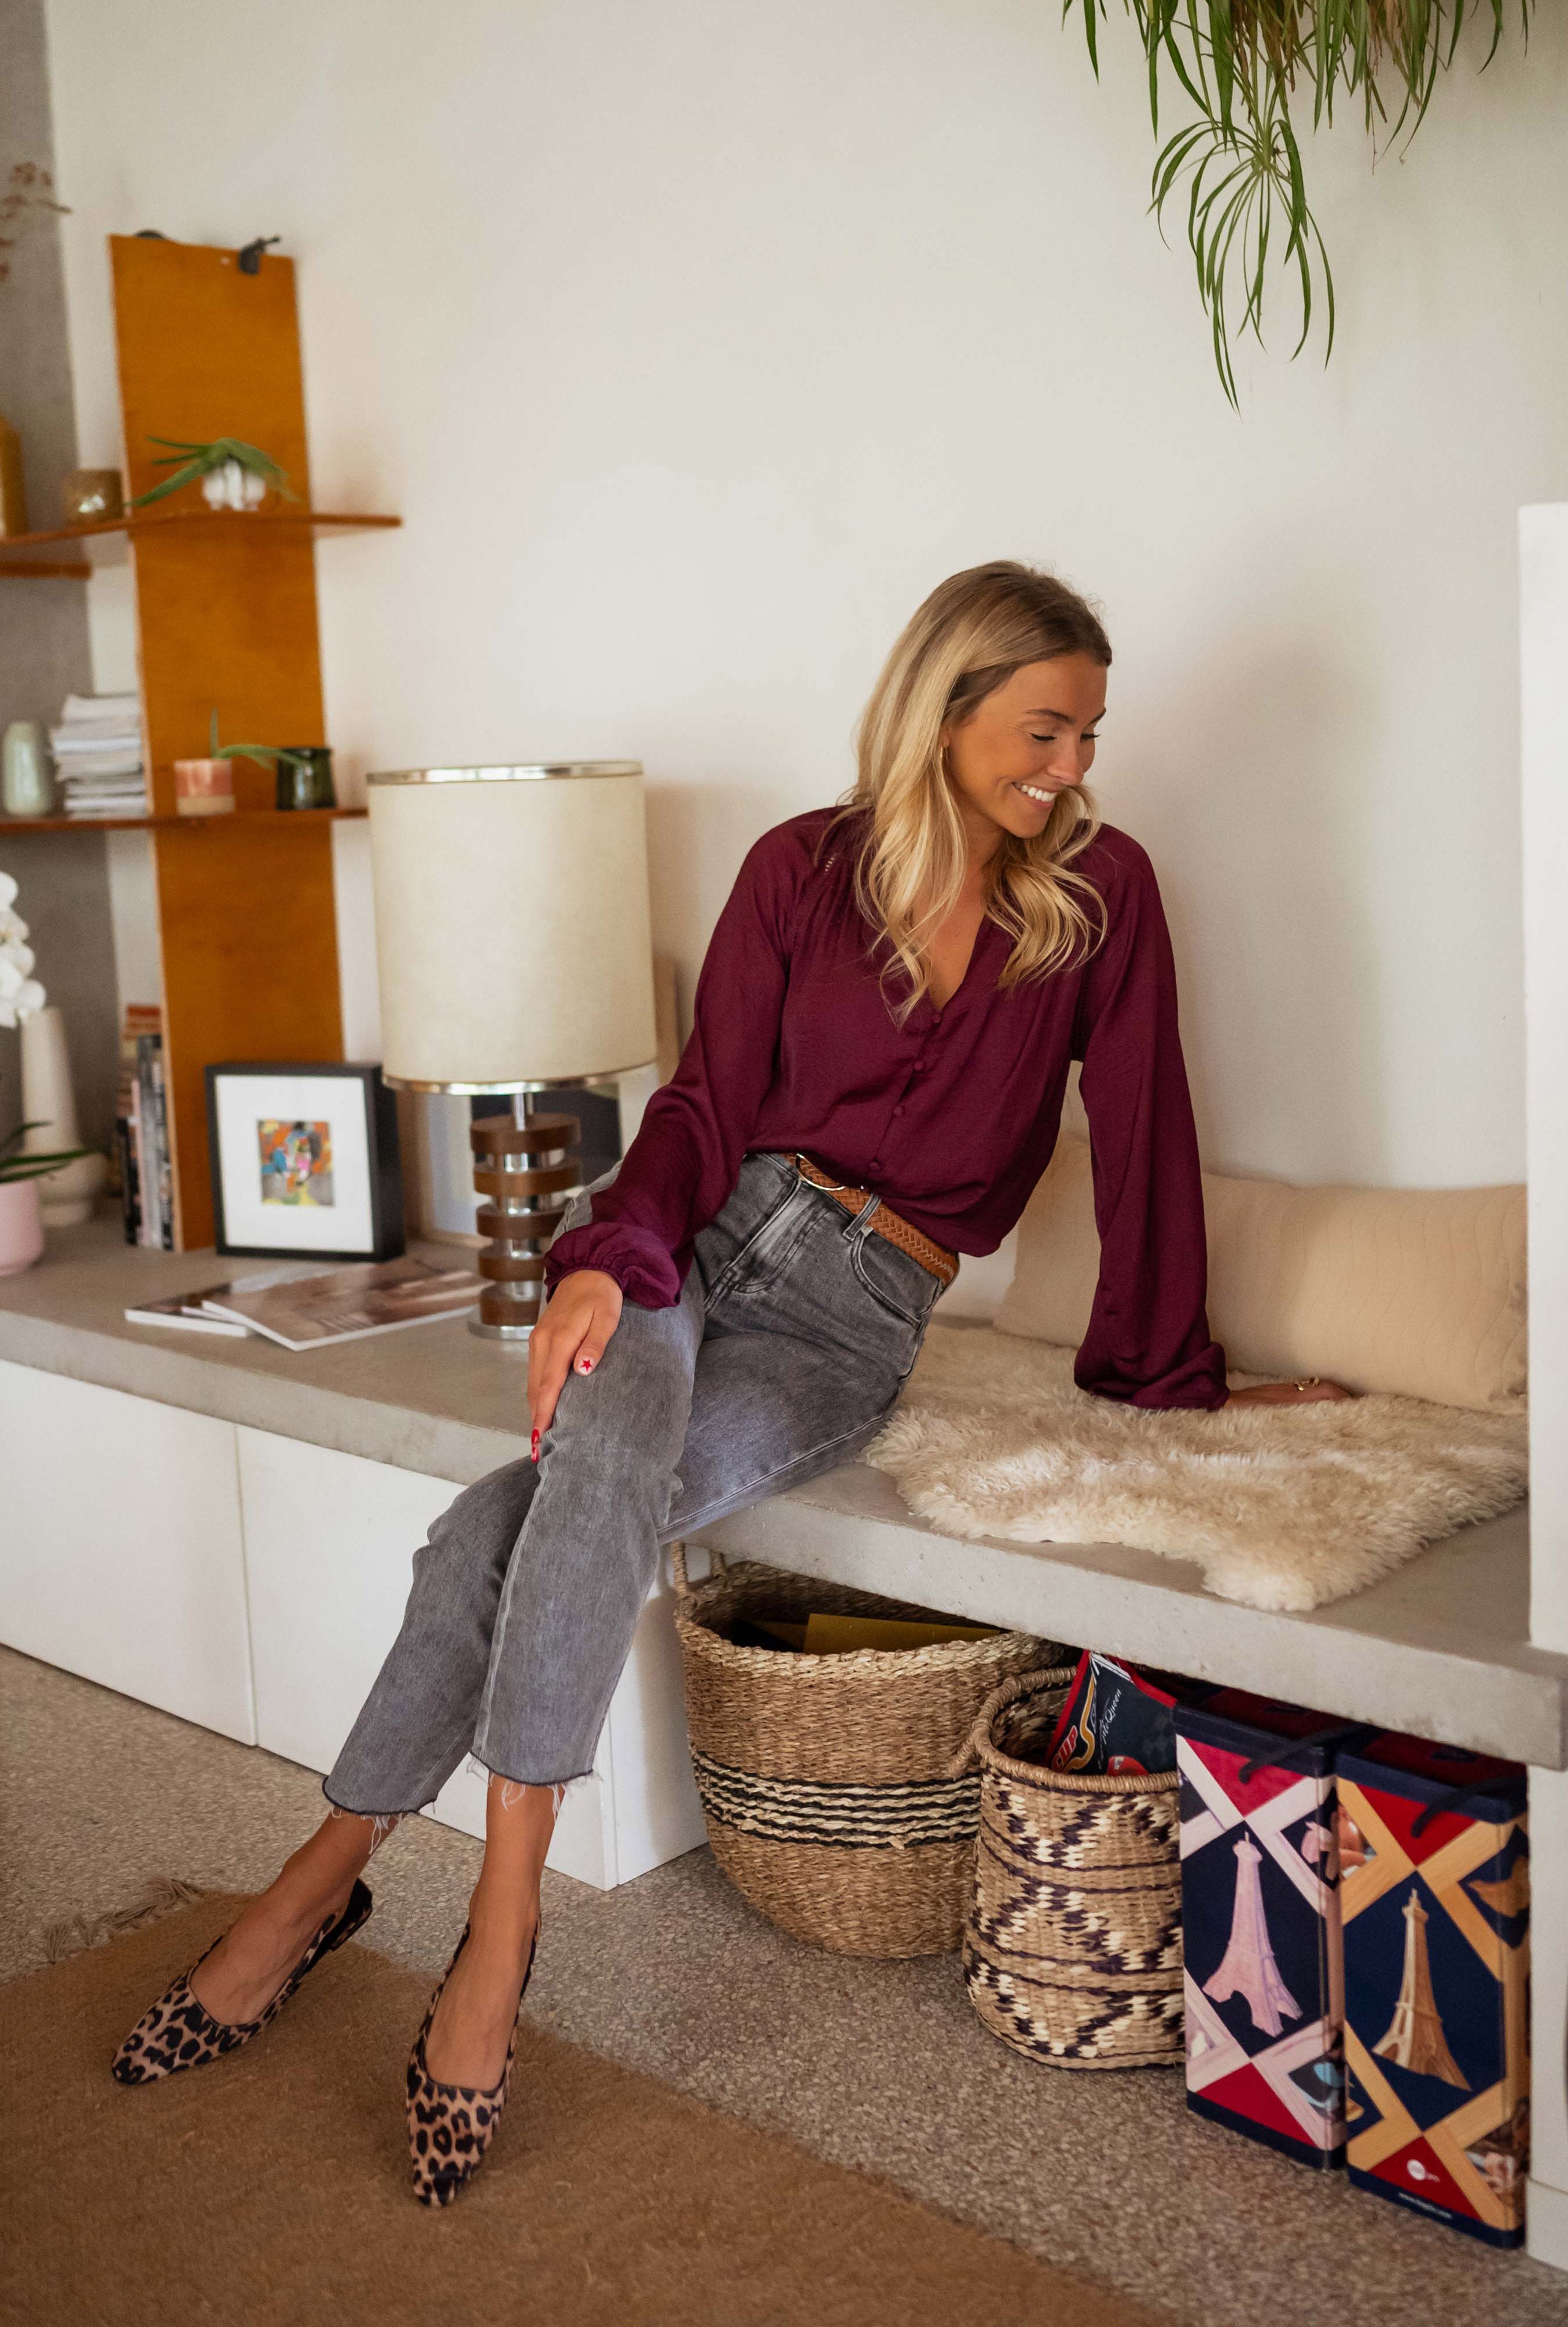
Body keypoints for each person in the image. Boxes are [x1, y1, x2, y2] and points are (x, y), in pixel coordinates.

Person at [110, 560, 1346, 2203]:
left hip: (855, 1320)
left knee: (504, 1529)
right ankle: (501, 1927)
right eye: (1044, 727)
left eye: (1088, 733)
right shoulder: (797, 870)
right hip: (699, 1241)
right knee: (598, 1481)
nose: (1072, 764)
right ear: (946, 705)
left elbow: (1146, 1132)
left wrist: (1164, 1370)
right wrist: (609, 1258)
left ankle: (328, 1885)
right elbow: (700, 1107)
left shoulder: (1102, 896)